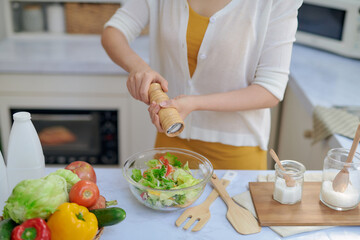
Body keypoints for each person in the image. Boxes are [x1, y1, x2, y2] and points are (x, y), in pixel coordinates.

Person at [101, 0, 303, 169]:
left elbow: (270, 90)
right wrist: (138, 68)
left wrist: (193, 103)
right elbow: (114, 31)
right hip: (171, 142)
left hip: (235, 153)